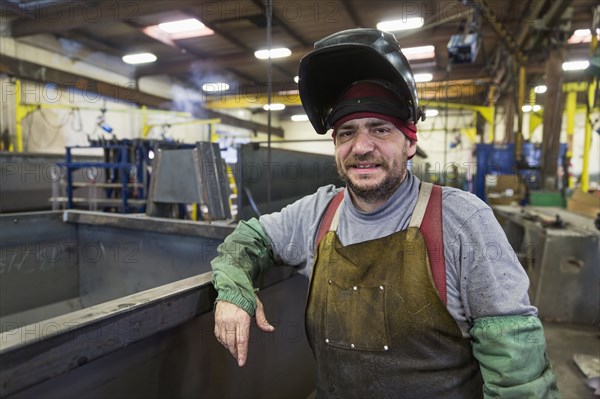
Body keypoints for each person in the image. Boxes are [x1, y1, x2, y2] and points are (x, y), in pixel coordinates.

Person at [211, 28, 560, 398]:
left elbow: (517, 372)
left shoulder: (461, 221)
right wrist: (234, 292)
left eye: (380, 129)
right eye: (346, 132)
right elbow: (248, 239)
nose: (361, 146)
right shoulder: (317, 214)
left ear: (410, 142)